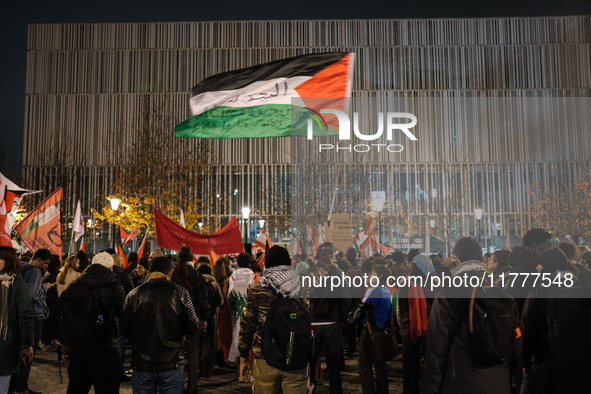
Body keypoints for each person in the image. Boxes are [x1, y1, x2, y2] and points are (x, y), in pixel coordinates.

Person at [424, 237, 517, 394]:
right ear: (481, 258)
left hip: (461, 380)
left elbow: (436, 346)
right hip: (499, 380)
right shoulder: (499, 289)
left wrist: (431, 388)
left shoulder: (449, 292)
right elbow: (516, 335)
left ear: (457, 259)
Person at [120, 256, 199, 394]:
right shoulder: (180, 293)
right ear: (170, 272)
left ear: (149, 272)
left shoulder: (134, 294)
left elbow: (123, 328)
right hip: (172, 362)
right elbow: (192, 325)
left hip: (142, 363)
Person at [238, 246, 307, 393]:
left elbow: (247, 325)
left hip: (265, 357)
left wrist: (244, 357)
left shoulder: (257, 289)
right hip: (296, 356)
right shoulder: (301, 286)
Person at [58, 252, 125, 394]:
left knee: (77, 387)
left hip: (79, 345)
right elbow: (122, 313)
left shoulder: (77, 283)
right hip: (105, 346)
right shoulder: (115, 286)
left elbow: (62, 308)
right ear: (111, 268)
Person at [304, 242, 350, 394]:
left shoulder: (309, 272)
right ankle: (335, 390)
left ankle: (310, 389)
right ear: (332, 255)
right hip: (332, 322)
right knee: (334, 363)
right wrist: (342, 319)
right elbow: (345, 299)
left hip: (313, 323)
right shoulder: (338, 273)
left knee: (310, 361)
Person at [10, 248, 52, 394]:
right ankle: (21, 387)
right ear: (38, 259)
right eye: (45, 263)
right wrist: (45, 289)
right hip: (34, 316)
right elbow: (32, 294)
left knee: (19, 352)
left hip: (21, 315)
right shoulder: (34, 271)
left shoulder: (20, 268)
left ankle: (15, 385)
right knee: (29, 352)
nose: (46, 266)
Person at [170, 246, 210, 394]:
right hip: (193, 319)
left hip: (175, 318)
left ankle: (177, 386)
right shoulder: (196, 275)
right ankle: (193, 386)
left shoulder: (173, 275)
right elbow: (203, 299)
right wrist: (204, 317)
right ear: (191, 258)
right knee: (193, 353)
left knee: (176, 354)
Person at [397, 254, 435, 394]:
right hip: (429, 328)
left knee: (409, 364)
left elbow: (400, 306)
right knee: (429, 363)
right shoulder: (432, 284)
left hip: (409, 328)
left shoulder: (406, 282)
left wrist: (401, 323)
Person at [0, 247, 34, 394]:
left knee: (2, 385)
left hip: (6, 343)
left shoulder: (18, 284)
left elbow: (26, 315)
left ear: (8, 261)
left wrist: (27, 343)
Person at [358, 264, 392, 394]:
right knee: (380, 364)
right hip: (382, 333)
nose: (370, 276)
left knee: (365, 365)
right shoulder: (386, 290)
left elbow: (362, 310)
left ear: (380, 276)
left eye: (373, 273)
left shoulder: (373, 291)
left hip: (370, 332)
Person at [227, 252, 256, 368]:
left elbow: (230, 294)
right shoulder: (253, 275)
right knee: (249, 335)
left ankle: (240, 364)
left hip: (237, 309)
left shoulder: (233, 276)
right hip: (250, 309)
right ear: (249, 263)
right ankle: (247, 365)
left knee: (236, 333)